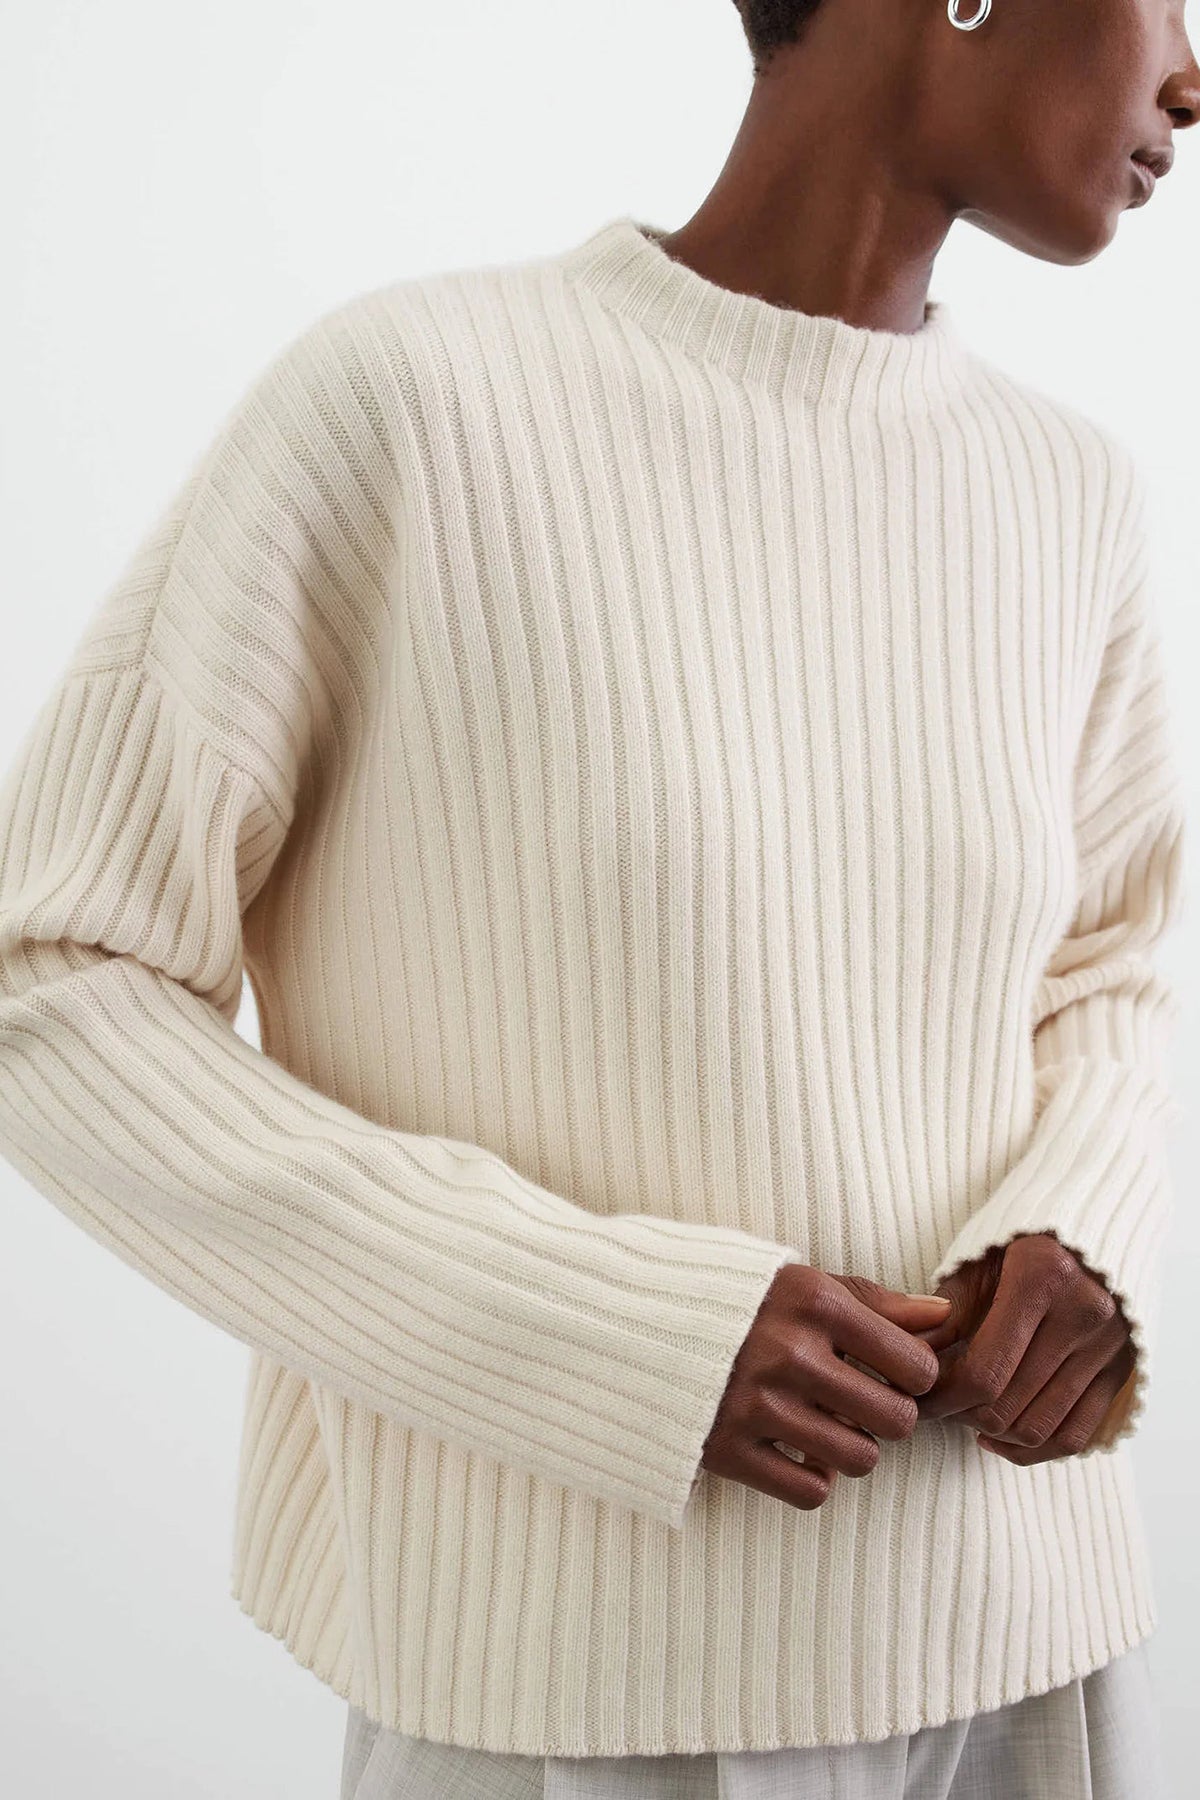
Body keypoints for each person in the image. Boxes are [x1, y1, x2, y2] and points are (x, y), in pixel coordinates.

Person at [1, 0, 1196, 1794]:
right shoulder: (413, 406)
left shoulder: (1065, 492)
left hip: (1032, 1651)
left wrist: (1082, 1228)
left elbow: (1112, 959)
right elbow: (51, 979)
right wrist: (602, 1337)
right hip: (578, 1689)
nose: (1190, 72)